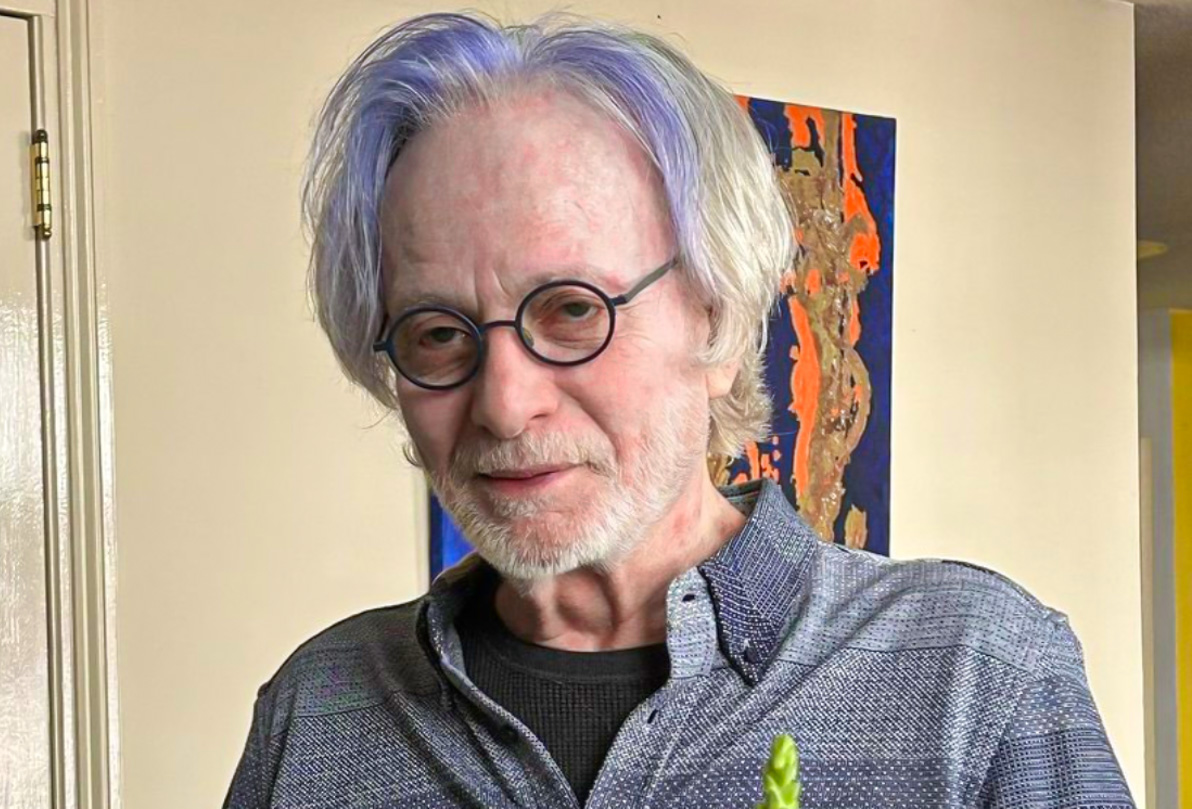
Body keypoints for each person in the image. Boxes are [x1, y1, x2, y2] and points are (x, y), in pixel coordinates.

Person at [225, 12, 1135, 808]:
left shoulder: (980, 680)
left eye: (572, 309)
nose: (503, 404)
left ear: (718, 319)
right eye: (436, 333)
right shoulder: (319, 711)